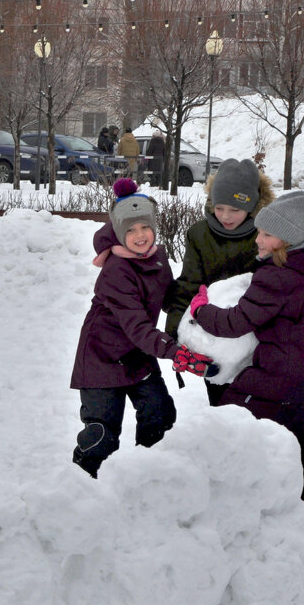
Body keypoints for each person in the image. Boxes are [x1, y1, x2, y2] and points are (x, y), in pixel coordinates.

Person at [186, 190, 304, 522]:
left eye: (267, 234)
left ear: (286, 240)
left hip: (279, 383)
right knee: (293, 446)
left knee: (231, 426)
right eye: (259, 231)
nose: (258, 240)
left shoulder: (278, 278)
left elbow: (234, 322)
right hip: (298, 384)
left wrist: (200, 309)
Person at [70, 178, 213, 478]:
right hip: (102, 358)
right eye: (130, 230)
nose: (140, 236)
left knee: (159, 415)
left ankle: (145, 478)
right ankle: (81, 491)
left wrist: (196, 303)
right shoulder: (116, 271)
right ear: (120, 233)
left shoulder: (158, 257)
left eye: (145, 227)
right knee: (102, 435)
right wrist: (176, 353)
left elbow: (167, 297)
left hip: (137, 353)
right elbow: (137, 326)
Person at [164, 157, 274, 404]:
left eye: (235, 209)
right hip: (214, 336)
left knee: (256, 407)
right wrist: (173, 335)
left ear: (253, 206)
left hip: (256, 334)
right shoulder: (199, 235)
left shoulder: (264, 236)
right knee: (222, 402)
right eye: (220, 207)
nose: (225, 216)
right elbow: (189, 283)